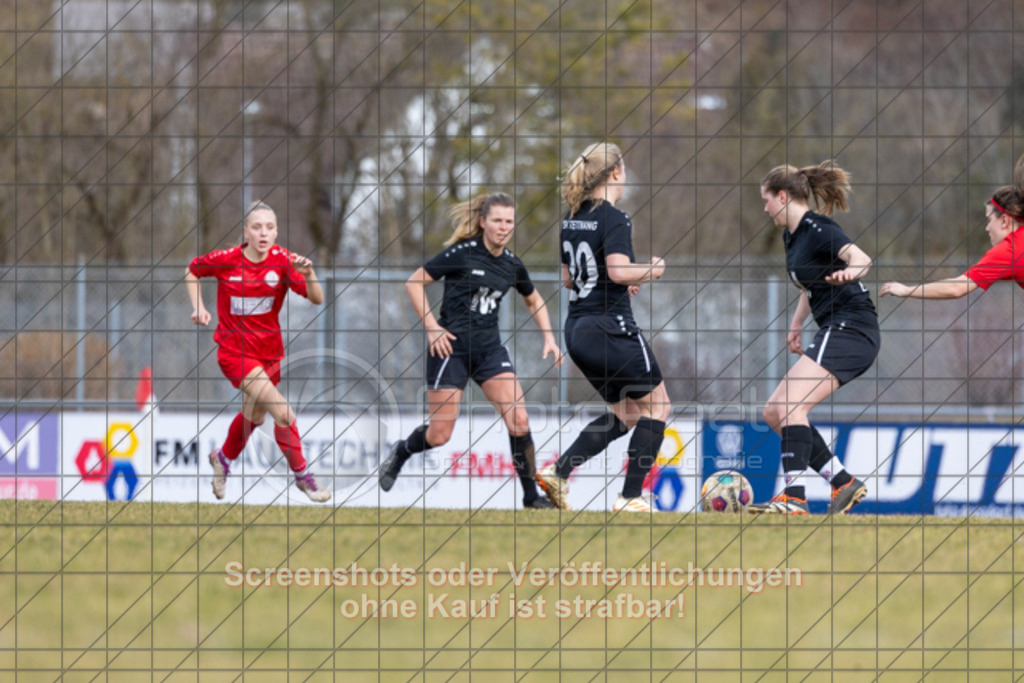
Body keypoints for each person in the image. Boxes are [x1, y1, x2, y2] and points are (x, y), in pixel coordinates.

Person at [378, 192, 563, 509]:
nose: (503, 227)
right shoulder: (461, 254)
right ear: (483, 222)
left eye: (508, 221)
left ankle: (531, 497)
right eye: (497, 221)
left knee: (519, 419)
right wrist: (433, 328)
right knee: (439, 436)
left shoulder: (511, 264)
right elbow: (414, 283)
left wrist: (549, 337)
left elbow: (533, 299)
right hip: (450, 350)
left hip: (489, 351)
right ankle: (402, 450)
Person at [535, 141, 670, 513]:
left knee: (627, 414)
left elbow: (568, 279)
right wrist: (652, 267)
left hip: (578, 330)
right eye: (623, 169)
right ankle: (630, 498)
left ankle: (559, 473)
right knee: (658, 408)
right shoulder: (614, 217)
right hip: (611, 328)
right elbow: (615, 270)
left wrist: (623, 277)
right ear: (615, 172)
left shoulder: (571, 217)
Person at [749, 160, 874, 515]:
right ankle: (844, 483)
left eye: (767, 200)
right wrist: (796, 324)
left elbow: (861, 258)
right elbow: (810, 284)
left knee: (790, 406)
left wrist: (851, 272)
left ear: (783, 196)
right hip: (836, 329)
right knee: (775, 411)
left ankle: (794, 497)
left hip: (853, 329)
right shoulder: (793, 236)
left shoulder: (819, 228)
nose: (765, 208)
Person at [186, 200, 330, 503]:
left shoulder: (283, 261)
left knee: (254, 417)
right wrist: (198, 307)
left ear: (276, 233)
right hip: (234, 353)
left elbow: (316, 298)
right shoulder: (227, 259)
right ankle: (304, 477)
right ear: (246, 232)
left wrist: (311, 273)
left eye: (269, 227)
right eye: (256, 227)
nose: (263, 233)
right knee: (284, 414)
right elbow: (192, 271)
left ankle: (222, 459)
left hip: (270, 354)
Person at [880, 157, 1024, 302]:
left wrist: (906, 290)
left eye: (989, 220)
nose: (987, 228)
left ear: (1005, 220)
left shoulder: (1010, 250)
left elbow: (957, 287)